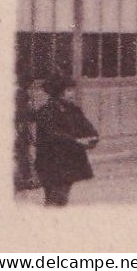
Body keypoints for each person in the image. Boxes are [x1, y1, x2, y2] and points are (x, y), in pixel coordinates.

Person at [33, 75, 99, 207]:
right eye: (68, 90)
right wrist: (76, 142)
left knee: (60, 197)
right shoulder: (46, 112)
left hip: (69, 161)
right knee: (55, 197)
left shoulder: (73, 109)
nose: (72, 93)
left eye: (72, 90)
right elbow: (54, 135)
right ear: (58, 92)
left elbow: (87, 128)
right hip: (51, 160)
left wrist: (92, 138)